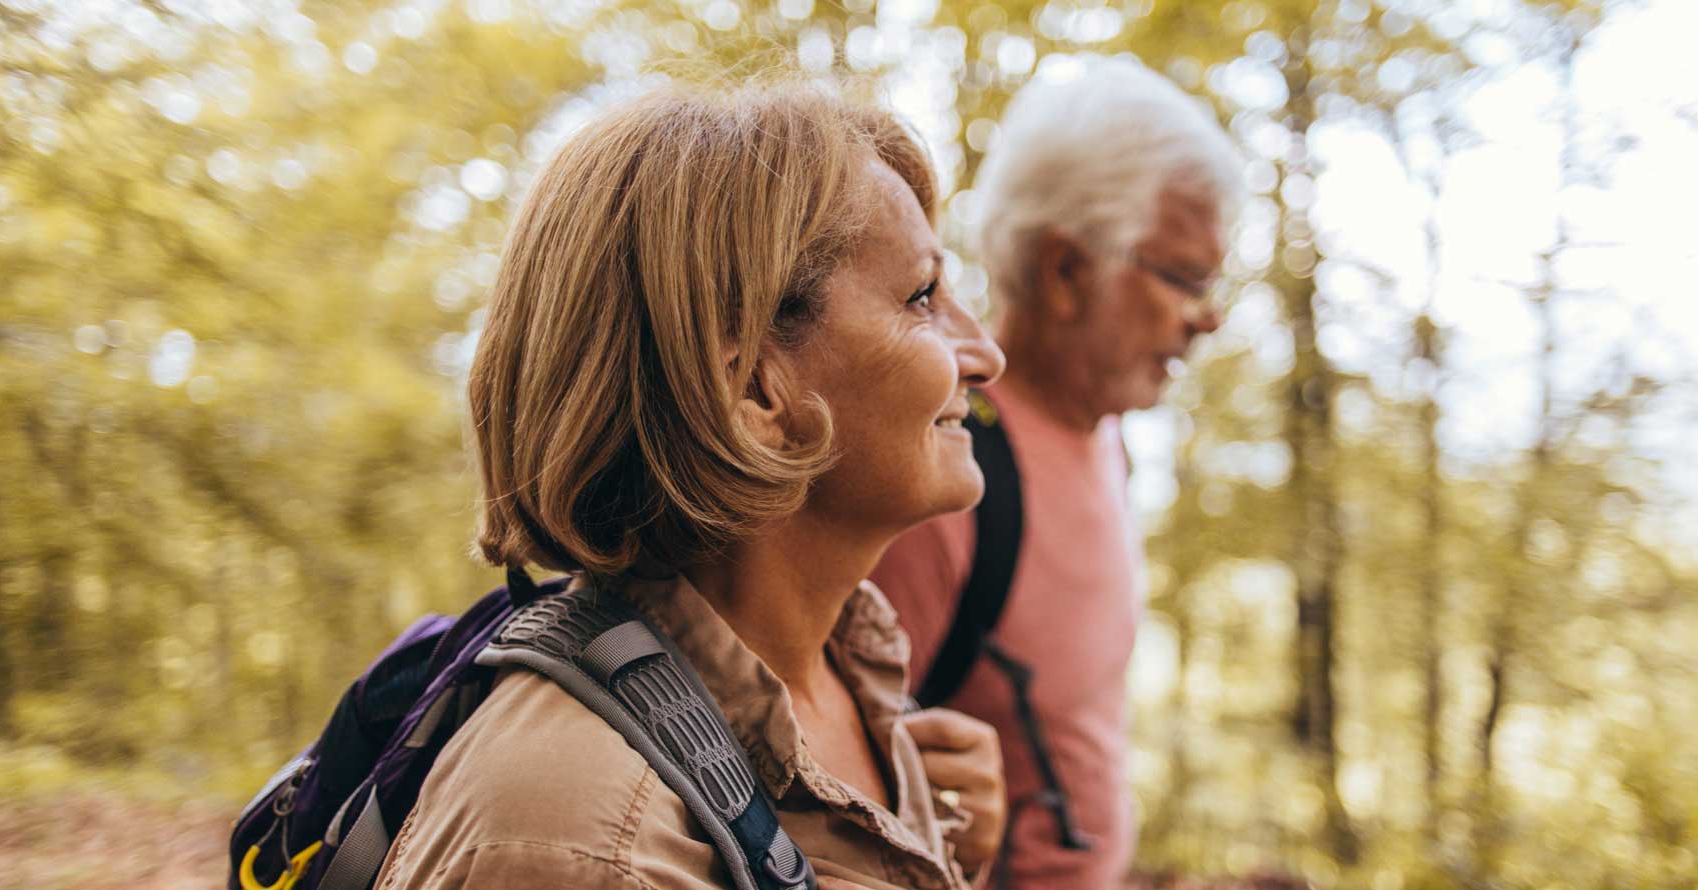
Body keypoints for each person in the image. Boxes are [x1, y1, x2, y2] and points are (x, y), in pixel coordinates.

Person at [374, 81, 1008, 889]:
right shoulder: (584, 838)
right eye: (922, 297)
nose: (985, 354)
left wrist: (948, 861)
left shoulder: (847, 676)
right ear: (751, 392)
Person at [869, 57, 1243, 889]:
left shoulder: (1108, 435)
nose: (1207, 318)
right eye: (1186, 277)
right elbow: (817, 791)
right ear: (1065, 270)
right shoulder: (944, 479)